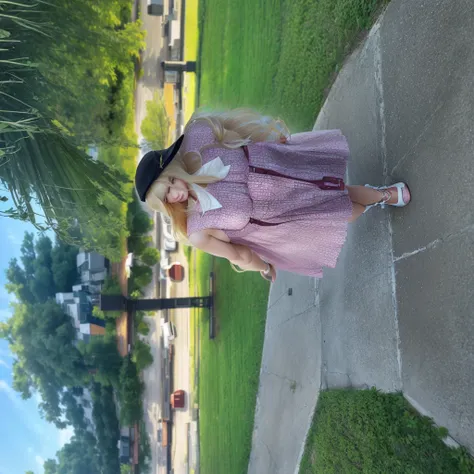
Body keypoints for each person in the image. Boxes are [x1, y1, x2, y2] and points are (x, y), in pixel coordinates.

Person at [135, 109, 410, 282]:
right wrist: (263, 267)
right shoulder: (198, 230)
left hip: (285, 165)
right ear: (165, 207)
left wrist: (270, 136)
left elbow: (239, 129)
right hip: (283, 213)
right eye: (167, 196)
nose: (176, 191)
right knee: (343, 211)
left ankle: (384, 196)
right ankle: (377, 200)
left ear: (172, 166)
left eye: (170, 181)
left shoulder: (198, 139)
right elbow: (238, 255)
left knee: (338, 190)